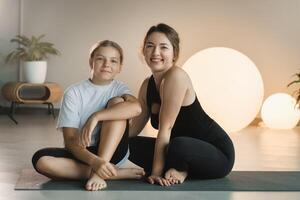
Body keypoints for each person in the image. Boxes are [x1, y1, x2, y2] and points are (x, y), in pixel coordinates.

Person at [128, 23, 235, 186]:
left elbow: (166, 128)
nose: (155, 52)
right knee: (128, 144)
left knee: (178, 145)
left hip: (216, 153)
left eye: (163, 47)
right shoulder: (146, 86)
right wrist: (102, 140)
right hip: (175, 150)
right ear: (144, 51)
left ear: (174, 54)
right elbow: (134, 129)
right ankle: (176, 168)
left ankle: (180, 169)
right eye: (150, 46)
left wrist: (156, 174)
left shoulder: (176, 76)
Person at [32, 40, 145, 191]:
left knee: (118, 103)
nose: (106, 64)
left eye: (113, 61)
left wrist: (96, 117)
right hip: (84, 153)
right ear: (91, 61)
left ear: (120, 67)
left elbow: (136, 108)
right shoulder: (73, 93)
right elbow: (71, 141)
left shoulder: (120, 89)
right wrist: (95, 162)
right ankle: (113, 173)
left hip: (114, 152)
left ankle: (100, 173)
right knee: (41, 161)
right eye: (100, 59)